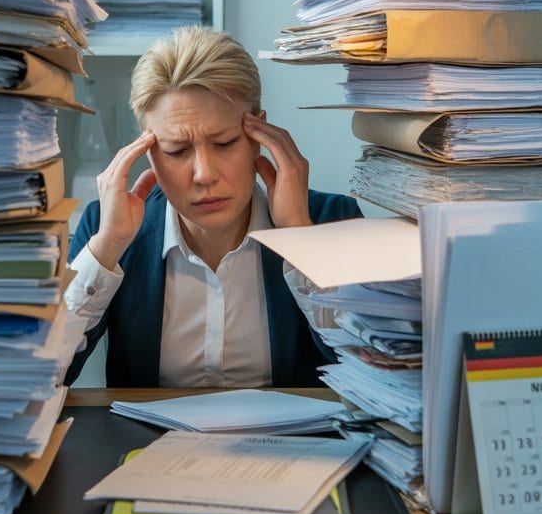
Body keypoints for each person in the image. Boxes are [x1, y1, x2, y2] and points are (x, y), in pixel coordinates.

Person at [64, 25, 362, 387]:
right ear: (147, 153)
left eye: (224, 143)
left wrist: (299, 237)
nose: (204, 175)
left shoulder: (333, 221)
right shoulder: (106, 227)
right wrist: (107, 246)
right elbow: (42, 378)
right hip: (148, 445)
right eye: (177, 151)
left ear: (259, 137)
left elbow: (373, 371)